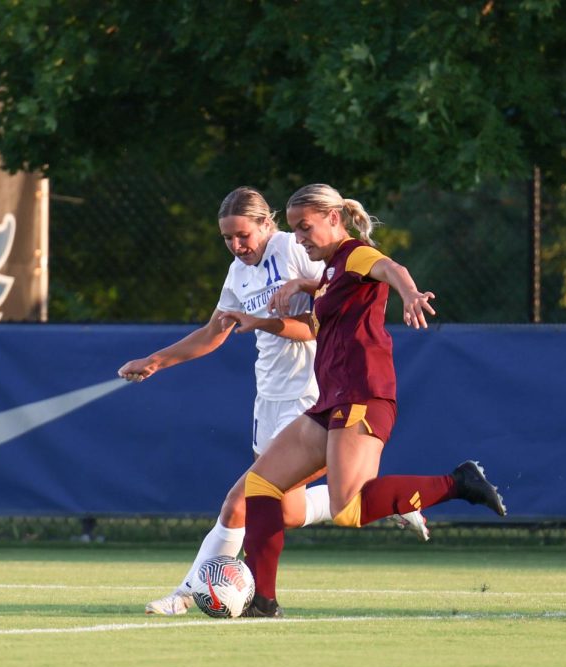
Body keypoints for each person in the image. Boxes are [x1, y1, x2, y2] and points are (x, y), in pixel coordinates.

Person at [118, 187, 428, 615]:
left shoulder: (294, 248)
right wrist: (157, 360)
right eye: (227, 238)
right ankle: (381, 497)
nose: (236, 245)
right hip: (270, 398)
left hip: (313, 395)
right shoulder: (237, 273)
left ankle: (187, 594)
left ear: (268, 224)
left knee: (239, 502)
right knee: (286, 509)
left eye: (243, 235)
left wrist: (265, 319)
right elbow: (214, 333)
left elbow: (318, 324)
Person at [240, 184, 507, 618]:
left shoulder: (354, 253)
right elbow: (331, 288)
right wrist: (300, 283)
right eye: (294, 229)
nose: (300, 237)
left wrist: (411, 294)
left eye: (305, 227)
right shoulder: (330, 270)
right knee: (262, 484)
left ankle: (459, 483)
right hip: (332, 401)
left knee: (349, 509)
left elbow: (389, 267)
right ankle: (262, 603)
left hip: (363, 395)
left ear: (334, 218)